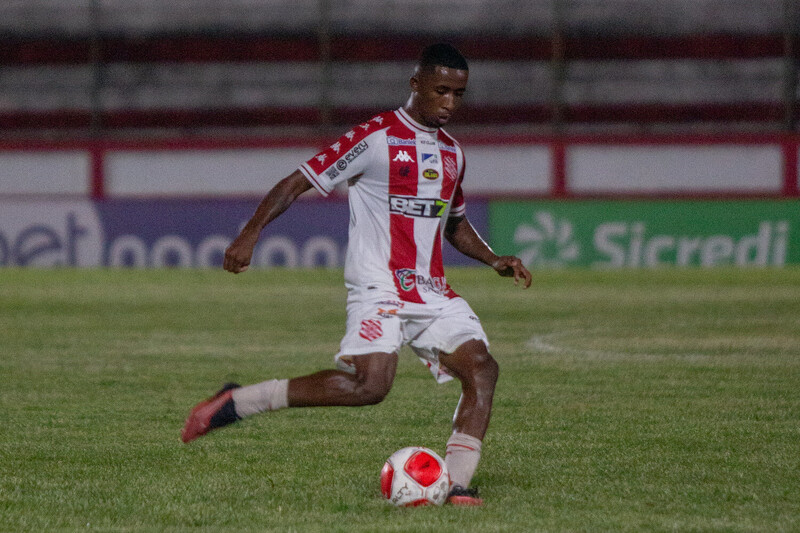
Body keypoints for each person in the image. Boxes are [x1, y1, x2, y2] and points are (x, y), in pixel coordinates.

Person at [181, 42, 532, 506]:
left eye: (458, 94)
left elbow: (453, 222)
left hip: (430, 290)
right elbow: (298, 180)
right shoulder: (376, 136)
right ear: (416, 85)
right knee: (370, 387)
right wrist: (249, 234)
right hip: (378, 284)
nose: (449, 103)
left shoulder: (452, 153)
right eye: (440, 90)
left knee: (483, 369)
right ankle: (239, 403)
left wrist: (492, 258)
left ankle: (459, 484)